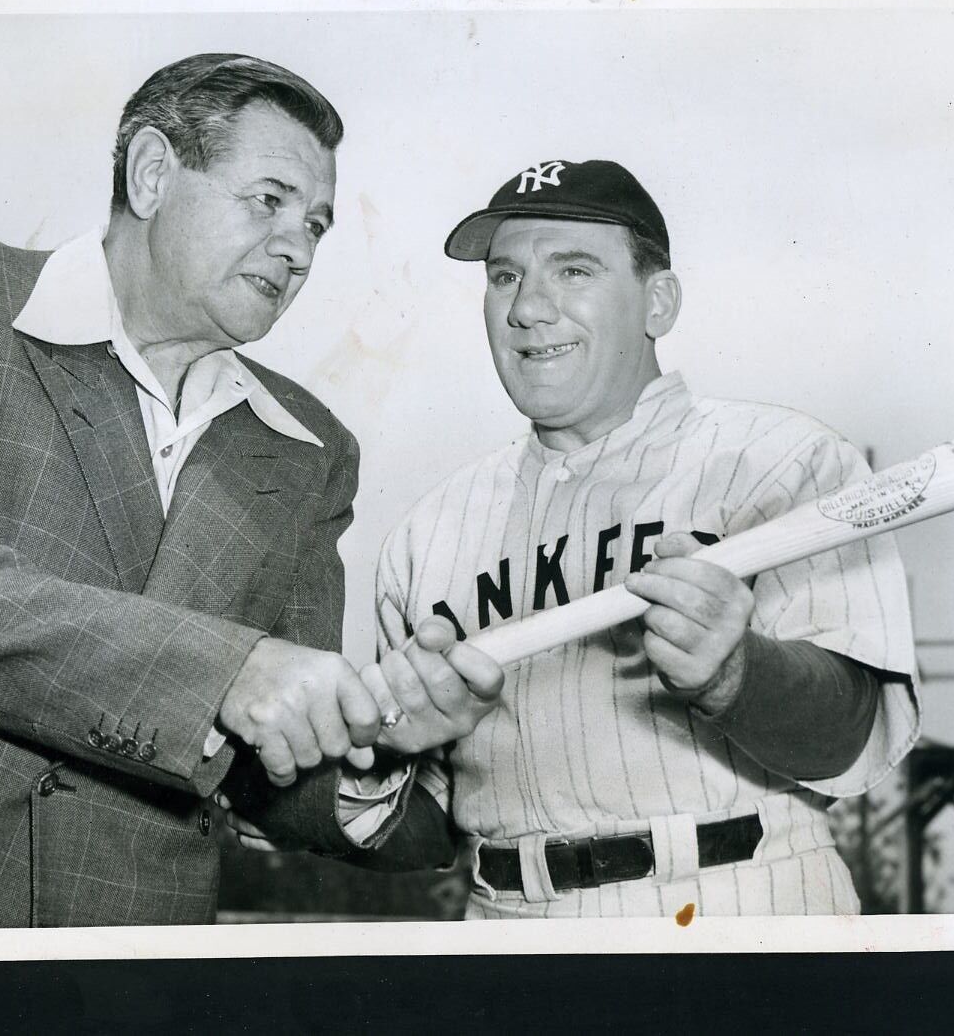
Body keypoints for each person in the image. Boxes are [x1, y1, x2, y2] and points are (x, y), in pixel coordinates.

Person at [0, 53, 497, 930]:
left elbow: (261, 768)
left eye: (316, 225)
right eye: (269, 199)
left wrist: (369, 746)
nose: (298, 248)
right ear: (153, 172)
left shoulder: (312, 451)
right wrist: (233, 668)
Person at [229, 158, 919, 918]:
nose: (528, 308)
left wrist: (735, 672)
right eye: (504, 277)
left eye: (574, 270)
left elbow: (849, 736)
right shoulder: (428, 534)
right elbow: (428, 835)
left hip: (739, 897)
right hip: (506, 918)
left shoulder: (786, 464)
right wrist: (389, 751)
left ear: (658, 302)